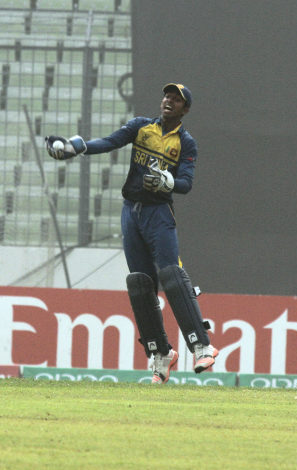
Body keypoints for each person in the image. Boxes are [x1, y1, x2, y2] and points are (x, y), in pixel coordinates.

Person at [45, 83, 218, 384]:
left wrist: (168, 181)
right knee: (140, 284)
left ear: (184, 110)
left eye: (176, 100)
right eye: (167, 96)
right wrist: (77, 147)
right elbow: (111, 142)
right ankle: (162, 355)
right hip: (131, 213)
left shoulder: (186, 143)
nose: (168, 101)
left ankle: (202, 345)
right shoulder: (141, 127)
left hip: (159, 215)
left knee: (171, 275)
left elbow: (186, 183)